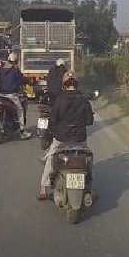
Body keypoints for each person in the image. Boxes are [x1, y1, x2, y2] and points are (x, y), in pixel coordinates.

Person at [38, 71, 94, 200]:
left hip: (62, 139)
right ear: (77, 84)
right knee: (88, 160)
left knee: (51, 158)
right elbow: (89, 121)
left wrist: (53, 131)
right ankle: (89, 187)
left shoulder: (59, 100)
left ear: (64, 85)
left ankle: (43, 188)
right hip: (79, 139)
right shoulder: (84, 100)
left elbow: (53, 121)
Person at [0, 53, 32, 140]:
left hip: (0, 94)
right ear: (16, 61)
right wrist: (29, 81)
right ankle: (22, 132)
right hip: (11, 95)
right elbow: (21, 80)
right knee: (20, 110)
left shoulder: (2, 69)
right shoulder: (15, 70)